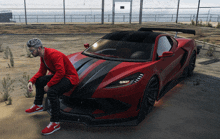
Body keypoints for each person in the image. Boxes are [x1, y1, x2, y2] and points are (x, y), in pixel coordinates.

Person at [25, 38, 79, 135]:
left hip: (70, 78)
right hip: (61, 76)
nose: (31, 52)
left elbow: (61, 72)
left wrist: (49, 85)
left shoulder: (53, 54)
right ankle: (38, 105)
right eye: (30, 50)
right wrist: (31, 81)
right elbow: (42, 71)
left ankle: (55, 122)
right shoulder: (43, 56)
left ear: (39, 48)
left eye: (32, 50)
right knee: (39, 80)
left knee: (52, 92)